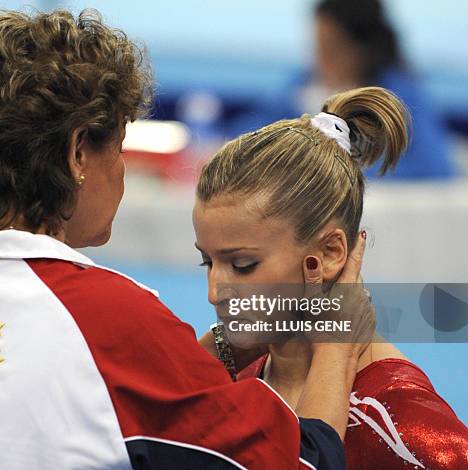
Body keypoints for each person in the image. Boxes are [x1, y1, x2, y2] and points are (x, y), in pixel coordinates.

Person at [0, 8, 372, 470]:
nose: (123, 172)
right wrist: (336, 333)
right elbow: (308, 461)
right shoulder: (112, 320)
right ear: (79, 152)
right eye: (120, 147)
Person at [195, 86, 468, 469]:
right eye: (207, 263)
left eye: (242, 266)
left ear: (330, 254)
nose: (213, 293)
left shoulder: (401, 425)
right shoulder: (234, 380)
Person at [230, 0, 455, 179]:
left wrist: (339, 172)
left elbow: (435, 167)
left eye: (331, 49)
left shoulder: (398, 98)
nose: (321, 60)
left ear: (362, 50)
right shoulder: (302, 86)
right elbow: (249, 133)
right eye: (318, 47)